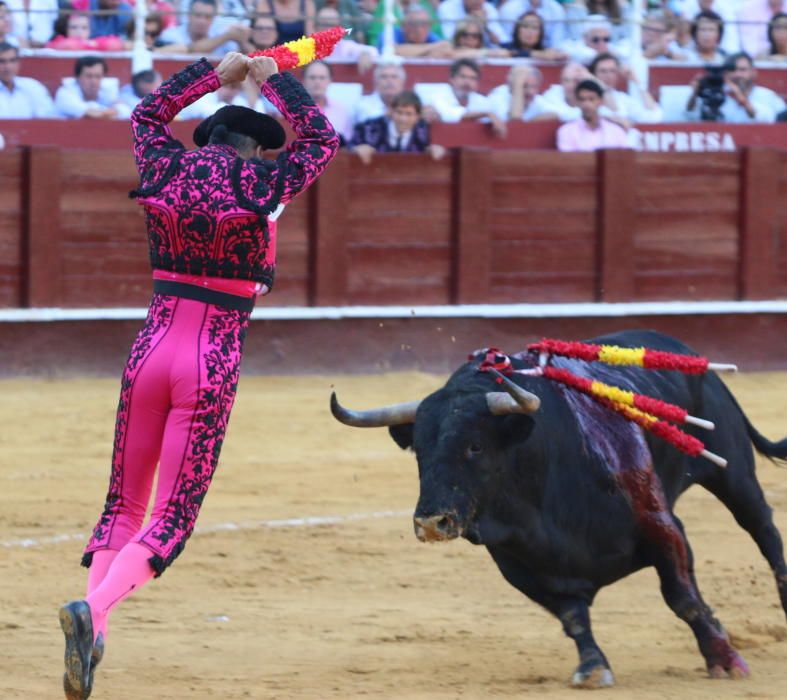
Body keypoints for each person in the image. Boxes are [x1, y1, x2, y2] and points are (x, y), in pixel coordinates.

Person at [58, 51, 339, 700]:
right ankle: (93, 614)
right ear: (254, 151)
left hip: (149, 348)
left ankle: (94, 627)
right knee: (173, 515)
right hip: (210, 360)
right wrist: (273, 78)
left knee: (123, 504)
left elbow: (147, 112)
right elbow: (321, 137)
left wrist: (217, 71)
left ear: (206, 139)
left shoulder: (163, 164)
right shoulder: (262, 187)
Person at [686, 50, 786, 121]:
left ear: (753, 73)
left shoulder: (767, 95)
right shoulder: (716, 95)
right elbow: (691, 118)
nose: (737, 74)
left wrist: (743, 101)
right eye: (732, 70)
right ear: (725, 73)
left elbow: (775, 123)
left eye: (742, 70)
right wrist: (694, 95)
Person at [351, 90, 446, 163]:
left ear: (418, 117)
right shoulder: (367, 128)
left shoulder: (424, 132)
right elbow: (348, 147)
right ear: (391, 111)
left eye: (409, 114)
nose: (403, 119)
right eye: (399, 112)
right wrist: (356, 149)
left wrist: (435, 149)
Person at [422, 58, 506, 138]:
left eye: (472, 78)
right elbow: (456, 116)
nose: (467, 82)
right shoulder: (438, 95)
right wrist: (488, 114)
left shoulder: (482, 101)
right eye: (463, 77)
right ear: (452, 78)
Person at [589, 52, 663, 124]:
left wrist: (637, 82)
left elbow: (654, 117)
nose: (608, 76)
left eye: (612, 71)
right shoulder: (584, 97)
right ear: (594, 74)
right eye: (603, 71)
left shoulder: (623, 99)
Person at [557, 79, 629, 152]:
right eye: (582, 100)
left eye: (591, 99)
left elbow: (622, 160)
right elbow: (568, 160)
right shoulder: (567, 131)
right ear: (577, 102)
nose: (586, 104)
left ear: (601, 101)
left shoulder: (616, 131)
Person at [158, 0, 249, 55]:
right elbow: (192, 49)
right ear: (189, 15)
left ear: (213, 19)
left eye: (207, 17)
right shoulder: (170, 35)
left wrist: (242, 41)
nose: (202, 21)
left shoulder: (219, 33)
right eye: (198, 15)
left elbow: (245, 57)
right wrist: (226, 36)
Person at [54, 55, 130, 119]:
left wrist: (115, 110)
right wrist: (112, 111)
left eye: (98, 76)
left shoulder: (107, 90)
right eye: (88, 76)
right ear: (78, 77)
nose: (94, 81)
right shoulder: (65, 93)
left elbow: (126, 111)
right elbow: (91, 113)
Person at [301, 59, 353, 142]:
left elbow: (347, 144)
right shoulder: (291, 109)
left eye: (322, 78)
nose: (317, 82)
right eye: (312, 77)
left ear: (330, 81)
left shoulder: (341, 111)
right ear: (303, 80)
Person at [0, 41, 55, 117]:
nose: (8, 67)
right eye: (2, 61)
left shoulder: (33, 86)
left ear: (18, 62)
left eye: (12, 61)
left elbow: (48, 118)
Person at [487, 64, 556, 121]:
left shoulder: (537, 100)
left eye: (534, 86)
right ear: (510, 86)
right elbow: (515, 119)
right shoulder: (498, 96)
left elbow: (554, 115)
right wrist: (518, 86)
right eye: (524, 86)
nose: (530, 92)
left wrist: (527, 124)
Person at [500, 11, 567, 60]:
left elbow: (564, 55)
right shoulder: (504, 47)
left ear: (541, 33)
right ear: (517, 29)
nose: (529, 32)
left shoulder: (545, 50)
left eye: (534, 28)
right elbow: (507, 53)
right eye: (525, 26)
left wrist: (559, 55)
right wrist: (536, 54)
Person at [46, 11, 125, 51]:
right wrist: (91, 45)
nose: (79, 32)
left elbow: (115, 44)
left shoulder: (96, 41)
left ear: (90, 30)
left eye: (84, 28)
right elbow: (69, 45)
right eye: (74, 27)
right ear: (65, 29)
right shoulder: (59, 40)